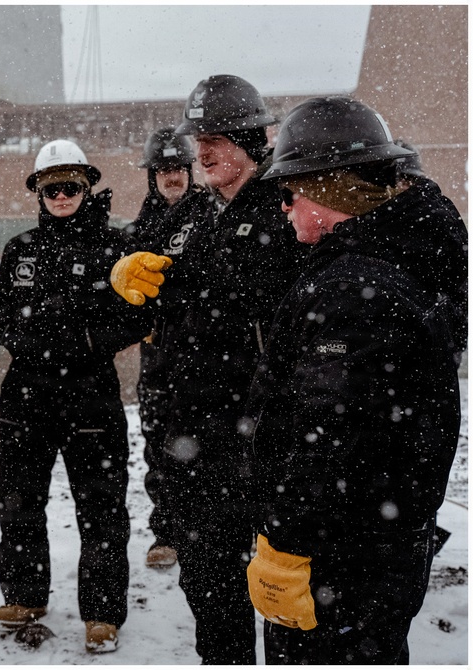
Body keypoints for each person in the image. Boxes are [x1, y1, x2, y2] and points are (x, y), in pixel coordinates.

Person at [244, 96, 467, 664]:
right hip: (382, 547)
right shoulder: (399, 259)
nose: (285, 206)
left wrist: (287, 545)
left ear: (329, 192)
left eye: (291, 191)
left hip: (337, 561)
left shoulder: (351, 294)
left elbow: (330, 439)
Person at [110, 74, 307, 664]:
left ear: (251, 139)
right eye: (200, 137)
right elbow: (188, 299)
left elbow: (243, 296)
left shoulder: (287, 210)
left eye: (218, 137)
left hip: (268, 440)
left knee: (284, 602)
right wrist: (137, 279)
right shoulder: (202, 218)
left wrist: (183, 282)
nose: (203, 151)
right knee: (212, 593)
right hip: (199, 442)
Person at [0, 139, 169, 653]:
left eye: (70, 187)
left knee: (101, 509)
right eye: (51, 188)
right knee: (20, 502)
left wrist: (84, 343)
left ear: (87, 189)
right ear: (39, 194)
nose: (61, 196)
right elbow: (0, 320)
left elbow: (138, 314)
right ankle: (25, 594)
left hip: (90, 397)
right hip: (26, 397)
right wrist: (35, 345)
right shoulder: (20, 249)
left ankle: (103, 612)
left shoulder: (117, 248)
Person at [125, 126, 200, 570]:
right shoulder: (139, 228)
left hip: (203, 353)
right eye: (163, 170)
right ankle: (167, 531)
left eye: (178, 168)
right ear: (152, 176)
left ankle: (219, 528)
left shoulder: (210, 215)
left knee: (209, 442)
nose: (172, 177)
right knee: (158, 443)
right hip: (157, 354)